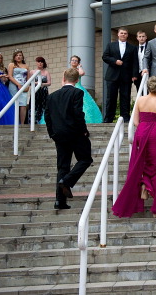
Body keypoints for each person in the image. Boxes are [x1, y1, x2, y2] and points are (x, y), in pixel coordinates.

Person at [112, 76, 156, 218]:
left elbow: (135, 121)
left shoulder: (140, 100)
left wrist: (143, 128)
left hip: (142, 131)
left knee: (141, 163)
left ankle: (145, 185)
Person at [45, 68, 93, 210]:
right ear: (77, 80)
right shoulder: (77, 92)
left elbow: (47, 117)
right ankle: (66, 181)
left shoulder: (52, 96)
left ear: (64, 78)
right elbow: (78, 113)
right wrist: (84, 130)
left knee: (63, 166)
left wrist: (52, 133)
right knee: (85, 159)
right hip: (75, 133)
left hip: (59, 134)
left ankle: (60, 201)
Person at [102, 27, 139, 122]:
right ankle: (108, 119)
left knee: (125, 97)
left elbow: (135, 62)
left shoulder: (132, 47)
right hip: (112, 76)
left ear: (127, 35)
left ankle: (125, 118)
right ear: (118, 34)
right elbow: (105, 57)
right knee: (111, 98)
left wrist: (134, 75)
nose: (123, 35)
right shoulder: (111, 45)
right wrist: (115, 61)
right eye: (122, 33)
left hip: (126, 76)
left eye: (125, 33)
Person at [70, 55, 103, 124]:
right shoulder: (67, 71)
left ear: (78, 62)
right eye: (72, 60)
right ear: (70, 62)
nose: (74, 61)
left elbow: (82, 73)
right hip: (69, 88)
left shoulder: (78, 70)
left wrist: (80, 67)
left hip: (78, 87)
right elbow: (63, 81)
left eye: (76, 60)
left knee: (85, 105)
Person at [7, 49, 30, 124]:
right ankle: (14, 122)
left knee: (23, 104)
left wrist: (27, 86)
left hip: (24, 85)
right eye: (17, 55)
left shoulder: (26, 66)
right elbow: (10, 76)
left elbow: (28, 78)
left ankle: (22, 123)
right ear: (14, 57)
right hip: (14, 85)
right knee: (14, 103)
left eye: (20, 55)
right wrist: (18, 84)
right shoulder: (11, 64)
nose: (18, 57)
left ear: (22, 57)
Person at [29, 57, 51, 124]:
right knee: (34, 106)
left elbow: (49, 83)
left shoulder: (46, 72)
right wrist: (37, 83)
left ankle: (43, 121)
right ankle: (33, 122)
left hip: (44, 91)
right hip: (35, 91)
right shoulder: (32, 72)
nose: (40, 63)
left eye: (41, 62)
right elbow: (29, 82)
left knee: (44, 106)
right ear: (36, 63)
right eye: (38, 62)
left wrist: (42, 84)